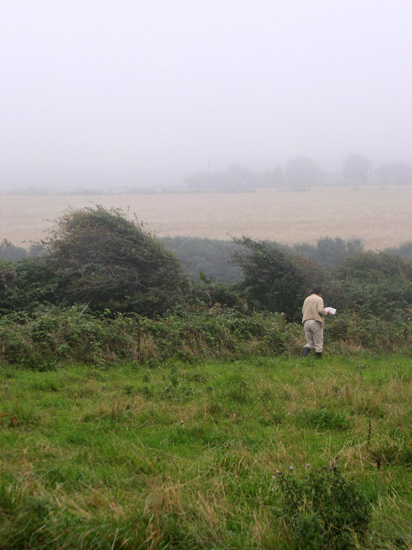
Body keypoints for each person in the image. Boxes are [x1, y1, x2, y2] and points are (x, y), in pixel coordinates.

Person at [301, 286, 331, 358]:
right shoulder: (319, 299)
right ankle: (319, 358)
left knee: (310, 342)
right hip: (315, 322)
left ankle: (303, 356)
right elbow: (320, 310)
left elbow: (303, 310)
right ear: (320, 292)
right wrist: (327, 312)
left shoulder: (307, 299)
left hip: (306, 322)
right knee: (318, 342)